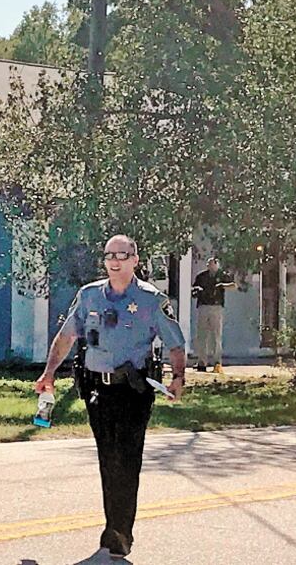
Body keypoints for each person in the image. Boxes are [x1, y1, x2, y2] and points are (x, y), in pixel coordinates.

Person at [35, 234, 186, 561]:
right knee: (108, 457)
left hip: (133, 390)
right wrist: (48, 374)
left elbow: (175, 342)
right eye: (109, 255)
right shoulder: (89, 296)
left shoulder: (150, 300)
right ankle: (112, 526)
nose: (115, 260)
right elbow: (66, 338)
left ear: (135, 260)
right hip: (96, 388)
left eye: (123, 254)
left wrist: (178, 378)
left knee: (127, 459)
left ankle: (120, 533)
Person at [191, 257, 236, 373]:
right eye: (209, 264)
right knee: (202, 335)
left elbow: (233, 285)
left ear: (217, 265)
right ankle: (202, 362)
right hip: (203, 306)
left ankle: (217, 362)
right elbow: (194, 288)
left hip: (216, 307)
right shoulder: (201, 276)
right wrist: (197, 290)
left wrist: (222, 285)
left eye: (213, 264)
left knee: (216, 336)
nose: (210, 266)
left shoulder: (222, 275)